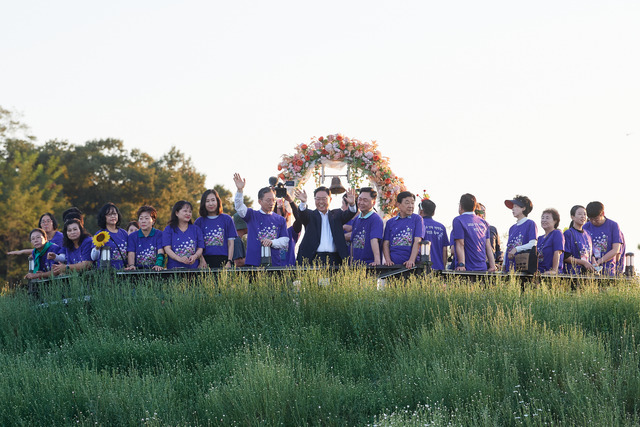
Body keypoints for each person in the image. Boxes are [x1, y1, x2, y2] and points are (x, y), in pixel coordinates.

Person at [233, 173, 290, 267]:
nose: (272, 203)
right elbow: (239, 207)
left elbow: (285, 240)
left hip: (274, 264)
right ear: (260, 201)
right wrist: (240, 190)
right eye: (268, 200)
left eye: (273, 200)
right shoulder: (252, 215)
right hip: (253, 264)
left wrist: (272, 242)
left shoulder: (280, 219)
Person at [294, 185, 357, 266]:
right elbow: (302, 213)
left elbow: (350, 213)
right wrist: (303, 202)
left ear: (330, 199)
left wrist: (352, 204)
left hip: (335, 259)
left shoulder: (337, 215)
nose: (321, 202)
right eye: (318, 199)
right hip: (313, 258)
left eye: (324, 199)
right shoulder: (310, 215)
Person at [451, 193, 496, 272]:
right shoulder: (484, 222)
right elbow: (488, 246)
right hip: (482, 268)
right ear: (475, 207)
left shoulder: (458, 220)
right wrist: (492, 266)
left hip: (467, 268)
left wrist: (461, 264)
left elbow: (460, 243)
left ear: (461, 206)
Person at [195, 189, 237, 269]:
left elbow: (231, 243)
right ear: (203, 203)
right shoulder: (199, 222)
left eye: (213, 200)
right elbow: (196, 244)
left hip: (223, 260)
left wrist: (229, 261)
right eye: (207, 201)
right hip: (205, 261)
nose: (210, 203)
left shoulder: (227, 219)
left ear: (218, 202)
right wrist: (201, 260)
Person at [382, 191, 424, 268]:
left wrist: (411, 260)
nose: (410, 206)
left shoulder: (417, 219)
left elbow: (417, 241)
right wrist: (388, 260)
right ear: (398, 204)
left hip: (410, 266)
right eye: (407, 203)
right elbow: (386, 243)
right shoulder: (390, 222)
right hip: (393, 265)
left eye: (412, 203)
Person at [583, 201, 623, 276]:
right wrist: (592, 258)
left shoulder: (613, 225)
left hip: (608, 270)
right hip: (589, 270)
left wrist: (599, 262)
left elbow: (616, 249)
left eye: (596, 219)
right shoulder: (585, 227)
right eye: (591, 219)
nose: (593, 222)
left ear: (602, 214)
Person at [162, 200, 204, 269]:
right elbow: (167, 249)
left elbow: (200, 248)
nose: (188, 214)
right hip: (174, 269)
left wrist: (195, 256)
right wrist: (179, 259)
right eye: (185, 211)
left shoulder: (196, 229)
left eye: (190, 212)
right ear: (177, 213)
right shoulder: (169, 229)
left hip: (193, 269)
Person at [349, 187, 384, 266]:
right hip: (356, 266)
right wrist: (351, 262)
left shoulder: (375, 219)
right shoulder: (356, 220)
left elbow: (374, 240)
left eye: (365, 200)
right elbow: (352, 242)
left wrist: (377, 261)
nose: (361, 202)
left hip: (370, 265)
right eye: (360, 199)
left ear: (373, 202)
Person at [503, 195, 538, 272]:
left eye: (515, 206)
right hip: (509, 267)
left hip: (522, 267)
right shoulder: (512, 228)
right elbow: (508, 248)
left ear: (523, 208)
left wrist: (516, 249)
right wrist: (504, 264)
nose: (513, 209)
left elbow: (533, 243)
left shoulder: (530, 223)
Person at [125, 206, 165, 271]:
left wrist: (158, 264)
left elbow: (160, 251)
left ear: (153, 221)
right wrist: (131, 265)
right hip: (137, 271)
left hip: (155, 270)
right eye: (141, 218)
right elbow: (131, 253)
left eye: (146, 218)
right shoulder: (132, 236)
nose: (143, 221)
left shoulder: (159, 234)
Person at [93, 203, 129, 269]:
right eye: (109, 214)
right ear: (104, 217)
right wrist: (97, 247)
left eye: (115, 214)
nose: (113, 216)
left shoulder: (124, 233)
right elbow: (93, 257)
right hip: (106, 273)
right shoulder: (100, 234)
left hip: (122, 272)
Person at [419, 197, 449, 271]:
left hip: (422, 268)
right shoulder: (441, 227)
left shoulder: (419, 225)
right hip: (439, 267)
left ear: (421, 211)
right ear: (433, 212)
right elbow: (444, 250)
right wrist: (443, 267)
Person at [563, 205, 595, 275]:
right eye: (580, 214)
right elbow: (565, 257)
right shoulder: (568, 233)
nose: (583, 216)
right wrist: (583, 263)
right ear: (572, 217)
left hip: (587, 275)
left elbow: (592, 255)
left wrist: (595, 265)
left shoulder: (588, 234)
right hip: (573, 274)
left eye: (585, 214)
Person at [537, 208, 564, 274]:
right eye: (542, 218)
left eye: (547, 218)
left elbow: (557, 252)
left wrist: (554, 270)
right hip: (540, 273)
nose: (544, 220)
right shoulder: (539, 238)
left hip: (551, 274)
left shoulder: (557, 233)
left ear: (555, 221)